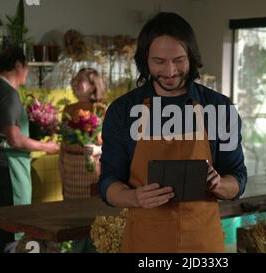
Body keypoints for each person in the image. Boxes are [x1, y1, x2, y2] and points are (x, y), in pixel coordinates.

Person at [97, 12, 247, 253]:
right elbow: (108, 183)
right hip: (145, 245)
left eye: (179, 60)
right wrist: (135, 198)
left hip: (203, 246)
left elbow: (238, 178)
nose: (170, 70)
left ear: (191, 57)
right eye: (159, 61)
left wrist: (219, 185)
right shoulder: (123, 111)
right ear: (145, 60)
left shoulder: (219, 108)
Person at [0, 47, 59, 253]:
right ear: (19, 65)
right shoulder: (9, 95)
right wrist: (46, 147)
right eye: (26, 67)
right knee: (12, 228)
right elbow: (14, 139)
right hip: (7, 170)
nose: (27, 72)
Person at [59, 68, 106, 200]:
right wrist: (61, 170)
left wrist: (96, 149)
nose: (74, 83)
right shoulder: (68, 109)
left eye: (79, 80)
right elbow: (63, 145)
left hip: (92, 172)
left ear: (92, 87)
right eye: (74, 80)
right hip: (70, 171)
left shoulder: (101, 110)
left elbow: (112, 146)